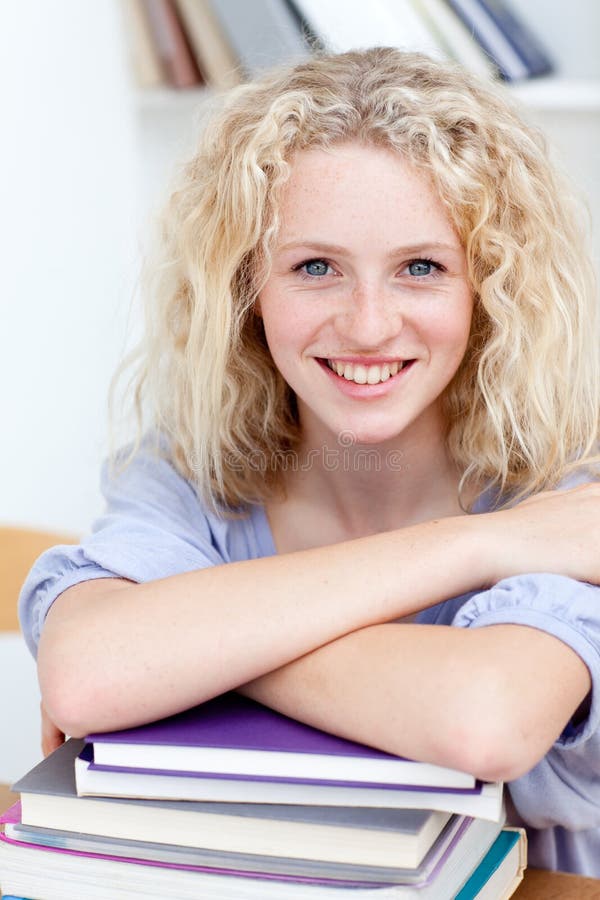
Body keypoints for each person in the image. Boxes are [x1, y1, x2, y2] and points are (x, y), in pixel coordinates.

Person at [19, 48, 600, 876]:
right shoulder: (192, 471)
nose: (368, 325)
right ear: (247, 289)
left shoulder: (565, 499)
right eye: (315, 267)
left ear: (490, 292)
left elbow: (484, 720)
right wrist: (479, 546)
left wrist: (188, 655)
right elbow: (89, 671)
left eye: (422, 268)